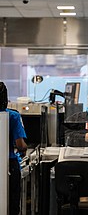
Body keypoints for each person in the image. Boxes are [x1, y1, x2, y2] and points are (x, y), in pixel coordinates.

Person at [0, 82, 27, 215]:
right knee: (11, 203)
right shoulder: (13, 116)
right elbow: (20, 145)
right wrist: (24, 149)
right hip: (8, 164)